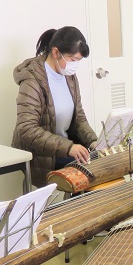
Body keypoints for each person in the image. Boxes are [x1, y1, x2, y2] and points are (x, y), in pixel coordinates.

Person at [12, 27, 98, 184]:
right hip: (41, 155)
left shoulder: (69, 76)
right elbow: (26, 128)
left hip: (64, 147)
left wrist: (93, 141)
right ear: (56, 52)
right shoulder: (33, 80)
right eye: (72, 60)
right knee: (88, 174)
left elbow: (78, 116)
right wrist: (69, 147)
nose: (75, 65)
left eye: (78, 61)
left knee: (100, 162)